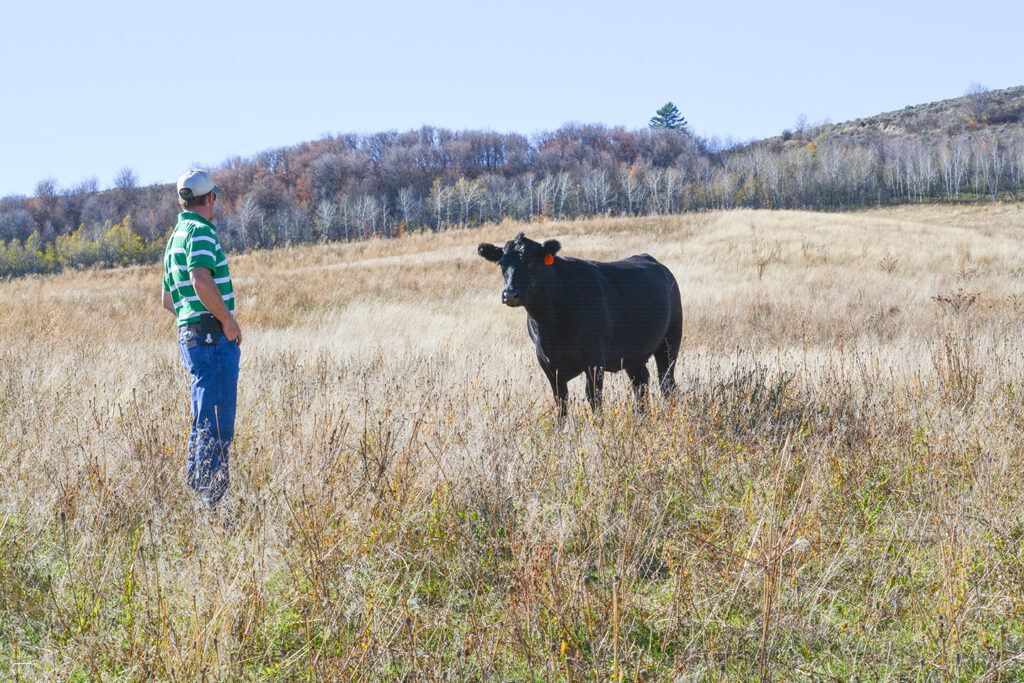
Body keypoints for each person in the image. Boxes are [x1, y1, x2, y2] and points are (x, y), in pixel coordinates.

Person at [161, 169, 241, 509]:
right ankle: (214, 509)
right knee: (217, 428)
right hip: (211, 338)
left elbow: (168, 300)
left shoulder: (175, 235)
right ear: (209, 199)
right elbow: (200, 281)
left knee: (202, 424)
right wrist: (228, 322)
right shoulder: (201, 231)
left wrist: (191, 322)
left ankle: (200, 500)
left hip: (190, 337)